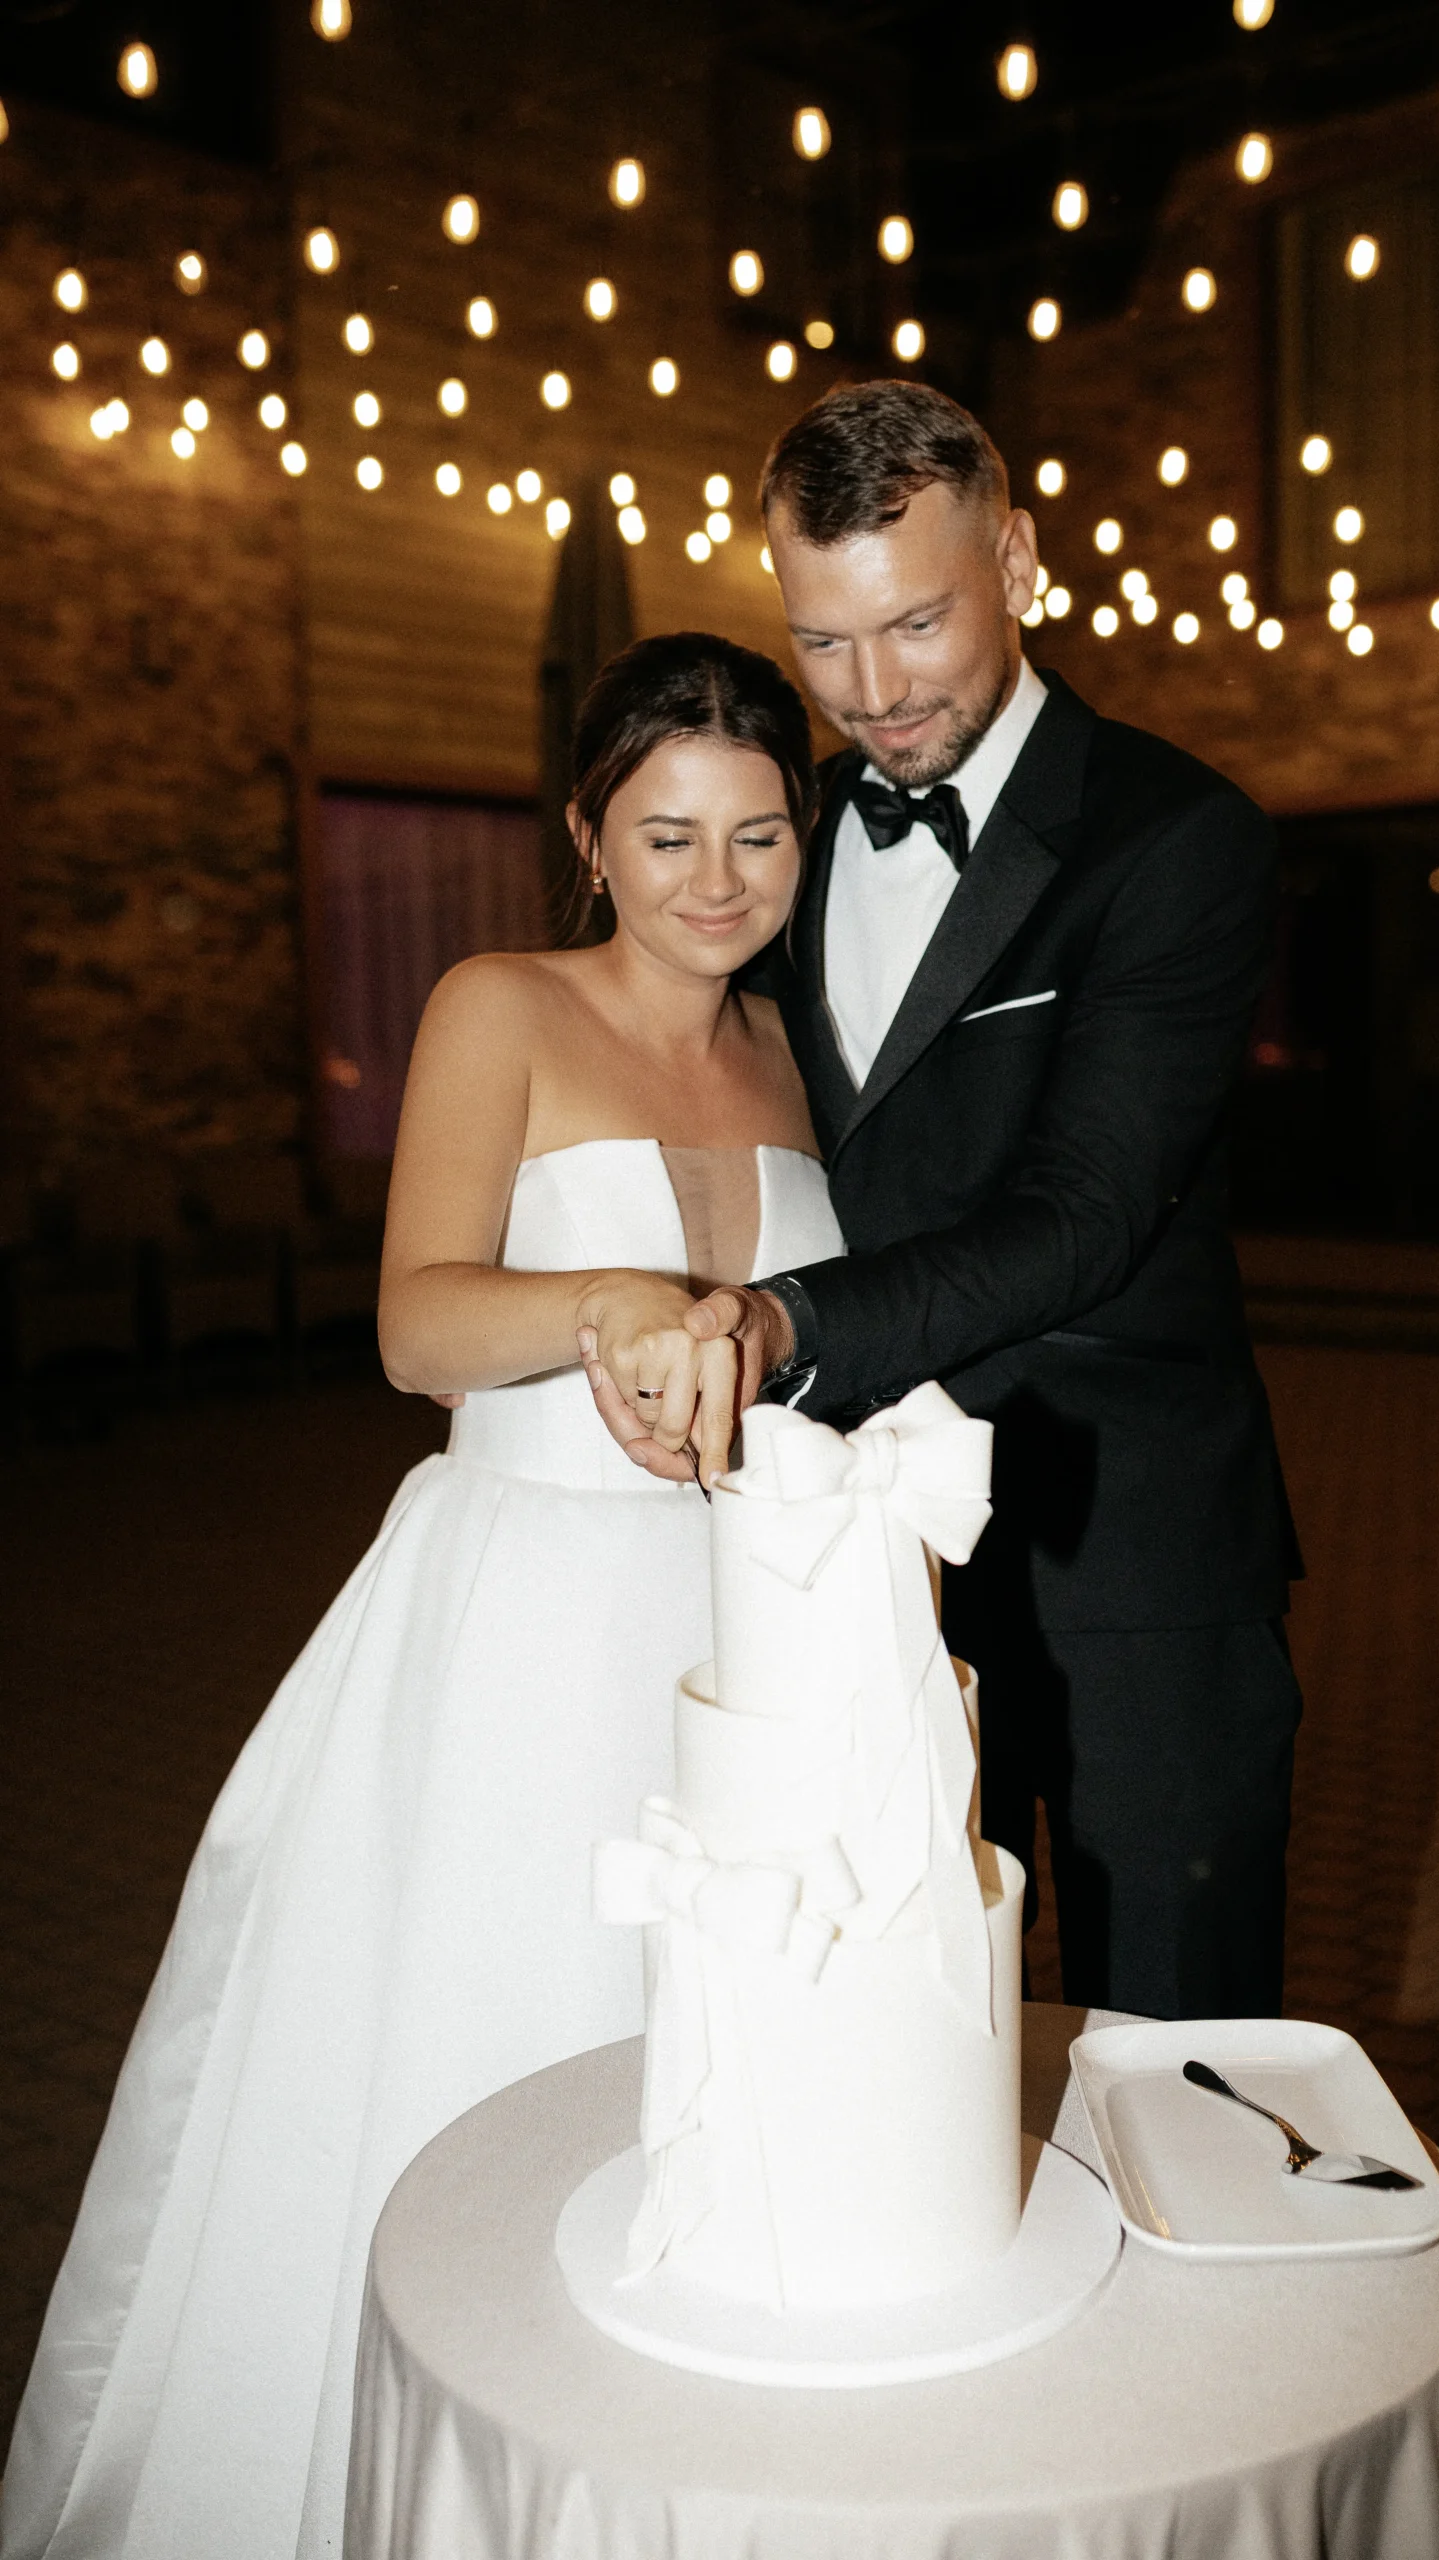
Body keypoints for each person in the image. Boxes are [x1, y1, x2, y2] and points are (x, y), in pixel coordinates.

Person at [0, 633, 842, 2560]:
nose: (717, 882)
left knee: (720, 2071)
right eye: (668, 835)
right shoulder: (499, 1005)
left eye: (759, 835)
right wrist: (610, 1299)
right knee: (499, 2060)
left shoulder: (796, 1057)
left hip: (747, 1625)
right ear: (589, 838)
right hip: (527, 1621)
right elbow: (413, 1328)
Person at [589, 382, 1304, 2024]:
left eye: (915, 623)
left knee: (1173, 2051)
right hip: (864, 1555)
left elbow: (1082, 1213)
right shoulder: (782, 837)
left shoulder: (1175, 839)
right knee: (896, 2034)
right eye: (822, 642)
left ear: (1019, 563)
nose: (872, 693)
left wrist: (778, 1327)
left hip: (1128, 1558)